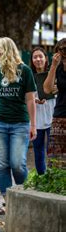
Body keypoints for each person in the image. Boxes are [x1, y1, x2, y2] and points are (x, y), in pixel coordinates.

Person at [0, 37, 37, 215]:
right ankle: (8, 200)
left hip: (20, 124)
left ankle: (25, 195)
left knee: (17, 164)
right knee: (3, 165)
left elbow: (30, 99)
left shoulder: (25, 71)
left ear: (4, 51)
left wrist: (33, 125)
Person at [29, 47, 55, 175]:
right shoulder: (29, 75)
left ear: (46, 59)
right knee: (38, 148)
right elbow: (25, 95)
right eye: (35, 57)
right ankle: (41, 176)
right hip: (36, 116)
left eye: (40, 56)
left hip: (52, 114)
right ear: (32, 60)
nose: (38, 59)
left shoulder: (53, 72)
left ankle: (53, 175)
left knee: (53, 148)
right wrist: (33, 99)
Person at [44, 38, 66, 168]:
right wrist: (53, 66)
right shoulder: (57, 69)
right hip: (60, 115)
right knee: (57, 159)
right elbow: (47, 89)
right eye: (60, 51)